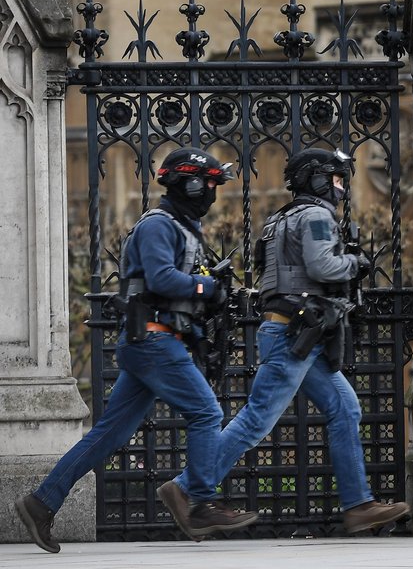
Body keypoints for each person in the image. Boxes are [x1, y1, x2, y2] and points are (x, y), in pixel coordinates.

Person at [13, 147, 257, 552]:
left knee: (109, 434)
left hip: (152, 342)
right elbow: (161, 279)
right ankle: (198, 501)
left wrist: (209, 294)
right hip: (153, 340)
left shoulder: (181, 227)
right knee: (206, 412)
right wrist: (207, 286)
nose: (212, 193)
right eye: (208, 184)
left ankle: (41, 503)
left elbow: (174, 283)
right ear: (189, 185)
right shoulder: (158, 226)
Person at [159, 148, 409, 536]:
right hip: (294, 334)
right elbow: (323, 265)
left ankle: (359, 504)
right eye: (336, 179)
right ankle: (185, 487)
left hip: (297, 332)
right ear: (318, 179)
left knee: (345, 408)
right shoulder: (316, 216)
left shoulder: (281, 218)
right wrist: (356, 263)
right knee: (256, 419)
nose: (341, 188)